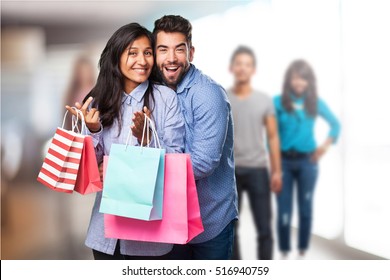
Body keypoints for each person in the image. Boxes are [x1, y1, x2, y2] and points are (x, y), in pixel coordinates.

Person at [65, 23, 185, 260]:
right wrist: (93, 129)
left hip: (149, 236)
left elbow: (176, 159)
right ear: (116, 57)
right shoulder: (98, 100)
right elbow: (93, 171)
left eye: (147, 53)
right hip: (106, 233)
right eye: (133, 53)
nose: (142, 60)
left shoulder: (166, 99)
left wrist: (148, 139)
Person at [152, 15, 238, 260]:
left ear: (191, 52)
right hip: (171, 220)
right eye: (163, 50)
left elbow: (203, 162)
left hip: (209, 222)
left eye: (179, 49)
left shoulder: (208, 94)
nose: (171, 58)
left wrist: (147, 168)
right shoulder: (157, 93)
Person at [273, 59, 341, 259]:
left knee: (305, 208)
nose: (299, 83)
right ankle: (284, 250)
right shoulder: (278, 102)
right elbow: (273, 136)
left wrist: (324, 147)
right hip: (284, 162)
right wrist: (276, 168)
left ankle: (302, 250)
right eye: (296, 78)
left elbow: (335, 125)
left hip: (307, 163)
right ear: (289, 80)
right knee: (284, 210)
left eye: (304, 79)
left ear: (309, 81)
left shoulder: (316, 103)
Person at [227, 46, 282, 260]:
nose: (243, 68)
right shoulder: (223, 97)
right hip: (231, 173)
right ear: (231, 68)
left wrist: (276, 172)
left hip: (258, 169)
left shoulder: (263, 100)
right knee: (231, 230)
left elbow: (273, 137)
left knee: (264, 229)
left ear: (253, 70)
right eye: (239, 64)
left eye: (247, 64)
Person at [63, 56, 96, 130]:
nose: (84, 75)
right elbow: (67, 116)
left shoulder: (96, 91)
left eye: (86, 71)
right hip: (74, 132)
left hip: (90, 134)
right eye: (81, 72)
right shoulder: (72, 93)